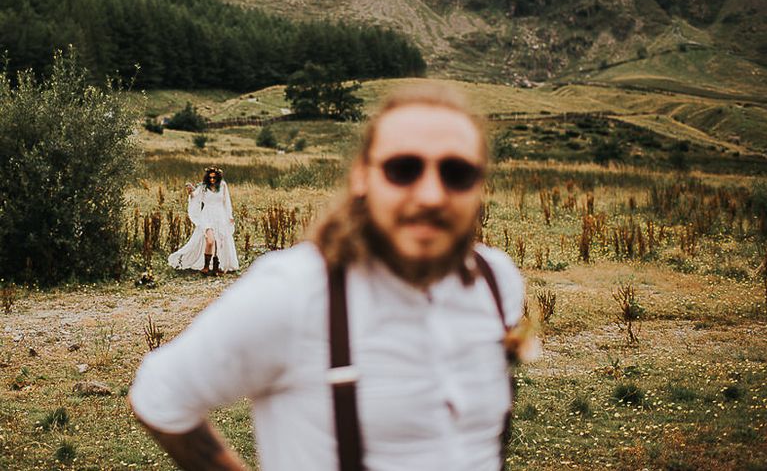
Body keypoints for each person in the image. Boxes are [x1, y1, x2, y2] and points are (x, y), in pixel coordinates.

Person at [131, 82, 535, 471]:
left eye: (457, 173)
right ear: (362, 176)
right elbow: (161, 393)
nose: (431, 195)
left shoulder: (497, 280)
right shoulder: (294, 292)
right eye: (403, 169)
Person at [168, 167, 239, 276]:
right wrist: (191, 191)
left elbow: (226, 201)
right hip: (207, 215)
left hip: (220, 215)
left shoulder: (223, 185)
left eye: (214, 177)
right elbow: (195, 197)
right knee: (210, 240)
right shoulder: (203, 187)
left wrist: (229, 215)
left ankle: (216, 266)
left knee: (219, 240)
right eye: (210, 177)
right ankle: (206, 266)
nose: (212, 179)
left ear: (218, 177)